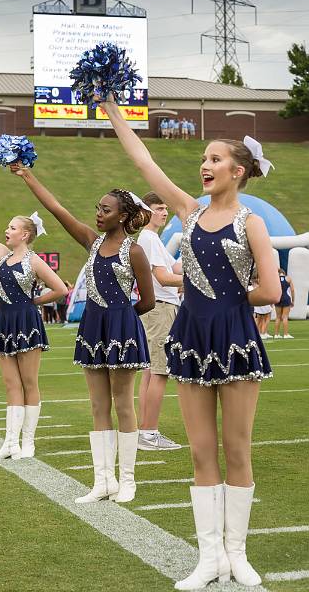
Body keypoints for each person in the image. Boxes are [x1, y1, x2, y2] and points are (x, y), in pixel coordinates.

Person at [101, 94, 280, 588]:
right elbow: (143, 158)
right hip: (191, 337)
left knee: (236, 448)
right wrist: (111, 108)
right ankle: (209, 559)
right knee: (201, 451)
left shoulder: (252, 223)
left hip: (235, 335)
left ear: (238, 171)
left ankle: (238, 554)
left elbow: (271, 289)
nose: (205, 165)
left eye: (215, 159)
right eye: (204, 159)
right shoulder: (189, 212)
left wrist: (224, 293)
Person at [11, 163, 155, 503]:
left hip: (122, 331)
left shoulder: (133, 251)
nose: (98, 214)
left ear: (122, 216)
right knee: (97, 405)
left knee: (123, 403)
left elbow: (147, 301)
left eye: (105, 210)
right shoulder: (92, 242)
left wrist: (121, 322)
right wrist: (27, 175)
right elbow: (57, 210)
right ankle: (102, 480)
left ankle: (128, 480)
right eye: (97, 208)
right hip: (93, 327)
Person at [0, 183, 67, 458]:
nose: (7, 230)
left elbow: (61, 290)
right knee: (10, 384)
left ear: (26, 235)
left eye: (12, 228)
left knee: (29, 382)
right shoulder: (2, 255)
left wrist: (34, 302)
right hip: (4, 320)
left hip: (26, 321)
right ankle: (10, 443)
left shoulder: (34, 261)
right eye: (8, 227)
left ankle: (27, 442)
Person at [137, 192, 183, 451]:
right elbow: (164, 278)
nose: (165, 213)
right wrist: (193, 282)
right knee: (160, 373)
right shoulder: (149, 238)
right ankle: (149, 434)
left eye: (166, 208)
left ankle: (144, 430)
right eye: (159, 208)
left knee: (149, 372)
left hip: (157, 309)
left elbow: (173, 268)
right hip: (161, 310)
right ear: (147, 211)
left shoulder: (152, 239)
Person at [273, 268, 295, 339]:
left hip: (278, 298)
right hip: (286, 298)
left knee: (278, 317)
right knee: (285, 317)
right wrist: (293, 300)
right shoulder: (288, 279)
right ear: (284, 273)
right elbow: (292, 290)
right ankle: (285, 334)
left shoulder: (275, 279)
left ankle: (276, 334)